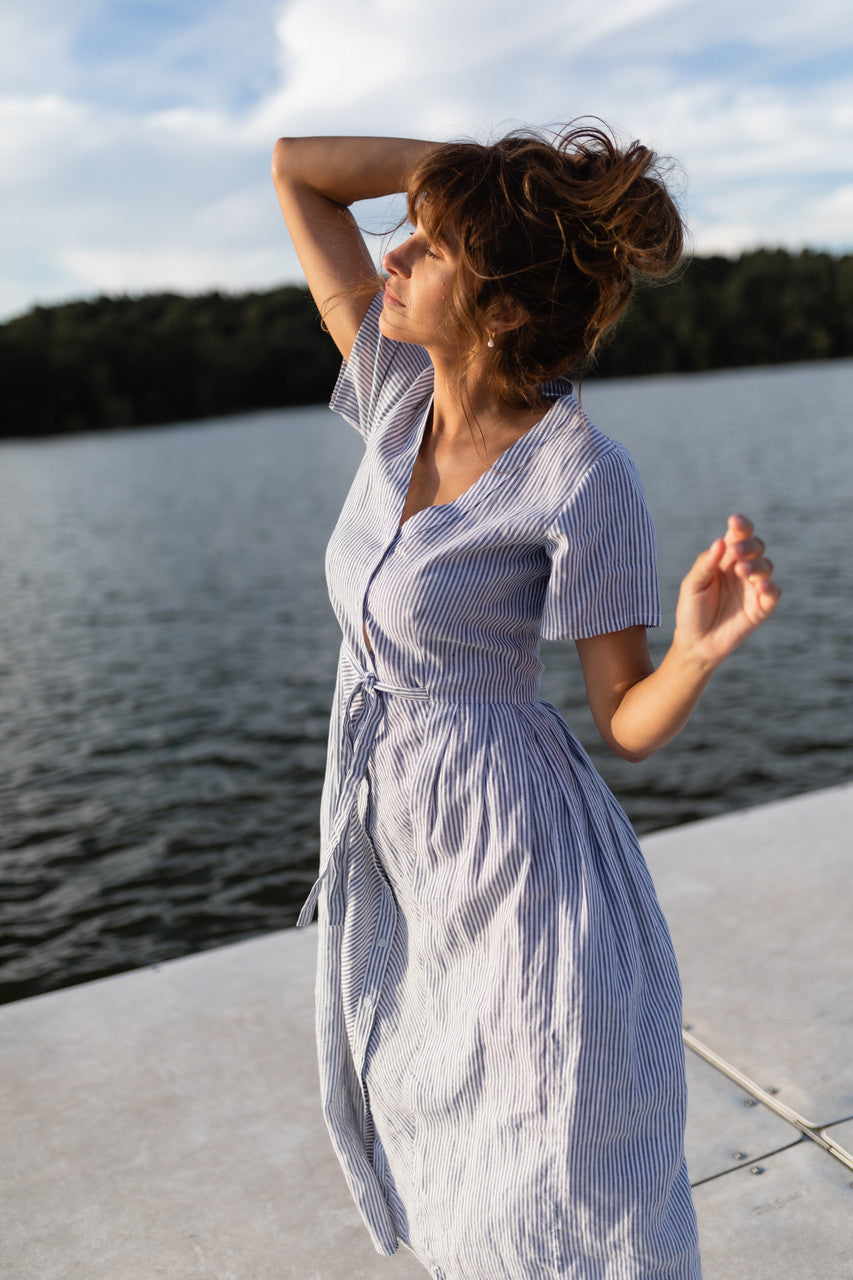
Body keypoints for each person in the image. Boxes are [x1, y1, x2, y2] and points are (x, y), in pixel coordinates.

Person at [271, 124, 780, 1280]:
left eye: (432, 249)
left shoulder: (582, 476)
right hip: (407, 844)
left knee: (556, 1173)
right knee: (443, 1139)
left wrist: (695, 652)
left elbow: (624, 721)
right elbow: (296, 168)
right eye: (408, 238)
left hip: (519, 864)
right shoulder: (394, 388)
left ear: (500, 311)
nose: (393, 258)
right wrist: (489, 178)